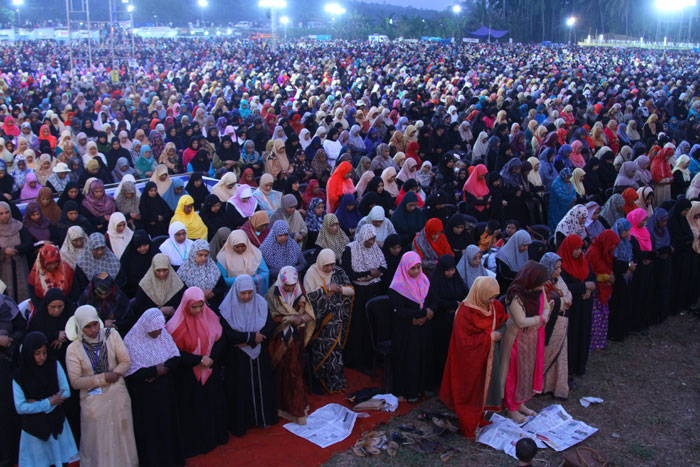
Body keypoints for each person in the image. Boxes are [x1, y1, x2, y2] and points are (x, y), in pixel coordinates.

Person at [64, 305, 138, 467]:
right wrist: (103, 378)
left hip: (117, 394)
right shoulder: (73, 349)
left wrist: (115, 374)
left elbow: (125, 362)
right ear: (80, 327)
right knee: (98, 440)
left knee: (121, 436)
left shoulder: (112, 335)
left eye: (95, 324)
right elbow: (75, 381)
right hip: (93, 401)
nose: (93, 329)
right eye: (88, 327)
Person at [440, 276, 505, 439]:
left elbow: (504, 322)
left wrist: (499, 334)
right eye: (489, 297)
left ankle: (480, 415)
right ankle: (468, 421)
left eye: (495, 297)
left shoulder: (495, 306)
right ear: (480, 294)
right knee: (469, 390)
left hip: (487, 357)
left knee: (484, 387)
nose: (492, 301)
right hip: (469, 360)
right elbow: (464, 341)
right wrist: (489, 337)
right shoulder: (465, 311)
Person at [166, 287, 228, 456]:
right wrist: (198, 360)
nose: (199, 310)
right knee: (193, 408)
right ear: (186, 305)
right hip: (188, 375)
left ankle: (214, 437)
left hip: (210, 369)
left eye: (201, 306)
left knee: (212, 404)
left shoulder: (211, 316)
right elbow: (175, 353)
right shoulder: (174, 324)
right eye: (194, 307)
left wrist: (211, 358)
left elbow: (221, 340)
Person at [123, 308, 184, 467]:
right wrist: (154, 371)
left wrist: (162, 370)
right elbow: (129, 372)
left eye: (159, 329)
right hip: (145, 396)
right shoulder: (131, 341)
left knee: (167, 426)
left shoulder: (163, 335)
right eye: (154, 330)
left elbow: (175, 357)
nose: (158, 333)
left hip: (165, 391)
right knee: (150, 431)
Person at [219, 276, 278, 436]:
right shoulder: (227, 307)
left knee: (262, 384)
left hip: (259, 355)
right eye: (243, 293)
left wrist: (249, 340)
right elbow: (229, 334)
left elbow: (268, 327)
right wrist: (252, 338)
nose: (246, 297)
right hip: (238, 358)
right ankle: (243, 422)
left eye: (249, 293)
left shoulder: (261, 303)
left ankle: (263, 418)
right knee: (240, 388)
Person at [12, 331, 79, 467]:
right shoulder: (19, 377)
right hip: (34, 430)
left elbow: (65, 392)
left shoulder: (53, 364)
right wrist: (49, 402)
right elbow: (20, 407)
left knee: (60, 461)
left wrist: (39, 404)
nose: (42, 357)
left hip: (56, 423)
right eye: (37, 353)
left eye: (44, 352)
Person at [501, 261, 552, 423]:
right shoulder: (516, 295)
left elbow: (546, 307)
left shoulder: (537, 289)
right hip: (516, 339)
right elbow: (521, 321)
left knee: (526, 371)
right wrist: (541, 319)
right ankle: (511, 407)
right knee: (513, 373)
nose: (541, 287)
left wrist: (543, 316)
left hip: (532, 338)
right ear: (532, 279)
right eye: (540, 283)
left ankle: (520, 402)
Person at [264, 266, 315, 424]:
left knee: (296, 370)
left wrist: (303, 318)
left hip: (297, 336)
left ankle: (297, 404)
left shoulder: (299, 290)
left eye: (293, 286)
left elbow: (308, 311)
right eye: (287, 286)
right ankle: (287, 408)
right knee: (285, 372)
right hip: (280, 339)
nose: (290, 289)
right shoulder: (272, 294)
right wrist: (290, 320)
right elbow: (271, 318)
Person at [303, 249, 354, 393]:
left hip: (336, 319)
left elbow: (351, 290)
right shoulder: (311, 273)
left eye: (332, 264)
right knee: (322, 350)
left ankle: (335, 382)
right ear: (320, 263)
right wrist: (325, 290)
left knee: (335, 351)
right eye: (327, 266)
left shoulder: (338, 272)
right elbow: (309, 297)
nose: (330, 268)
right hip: (318, 321)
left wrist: (338, 289)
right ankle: (320, 381)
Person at [388, 251, 433, 401]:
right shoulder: (397, 286)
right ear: (405, 268)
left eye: (418, 267)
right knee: (409, 360)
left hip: (422, 327)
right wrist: (417, 316)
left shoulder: (424, 280)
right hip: (405, 330)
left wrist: (425, 315)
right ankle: (408, 391)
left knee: (422, 356)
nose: (416, 271)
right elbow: (399, 311)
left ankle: (421, 388)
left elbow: (431, 300)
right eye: (412, 268)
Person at [341, 224, 386, 371]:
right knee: (359, 325)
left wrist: (374, 274)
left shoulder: (374, 248)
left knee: (372, 325)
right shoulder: (350, 250)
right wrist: (368, 274)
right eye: (369, 239)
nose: (371, 243)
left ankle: (372, 358)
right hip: (358, 293)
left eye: (373, 239)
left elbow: (383, 266)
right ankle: (357, 360)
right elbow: (350, 274)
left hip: (373, 289)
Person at [557, 235, 596, 378]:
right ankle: (569, 368)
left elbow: (592, 278)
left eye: (581, 248)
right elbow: (563, 286)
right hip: (571, 308)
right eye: (577, 248)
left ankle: (580, 366)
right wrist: (583, 287)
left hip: (584, 306)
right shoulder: (562, 265)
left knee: (583, 333)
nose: (579, 252)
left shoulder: (583, 262)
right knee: (572, 336)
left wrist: (590, 289)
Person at [426, 254, 468, 385]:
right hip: (440, 322)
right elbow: (436, 301)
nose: (451, 273)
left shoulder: (456, 279)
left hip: (455, 320)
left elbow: (465, 293)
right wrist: (454, 304)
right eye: (448, 270)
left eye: (453, 269)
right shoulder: (435, 281)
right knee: (441, 351)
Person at [539, 253, 572, 400]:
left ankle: (555, 387)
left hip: (560, 323)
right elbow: (547, 305)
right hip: (547, 326)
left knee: (560, 357)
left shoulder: (558, 280)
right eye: (556, 268)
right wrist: (562, 302)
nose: (559, 271)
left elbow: (569, 296)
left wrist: (561, 301)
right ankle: (542, 387)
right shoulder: (541, 284)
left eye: (560, 268)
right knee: (546, 355)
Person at [584, 230, 620, 350]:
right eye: (612, 245)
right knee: (595, 318)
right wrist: (606, 278)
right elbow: (588, 274)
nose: (613, 248)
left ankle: (599, 343)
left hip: (605, 288)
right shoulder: (592, 253)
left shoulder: (606, 252)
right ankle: (591, 344)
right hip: (595, 291)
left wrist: (611, 276)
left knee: (603, 316)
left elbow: (608, 266)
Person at [133, 253, 186, 318]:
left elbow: (183, 303)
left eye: (165, 270)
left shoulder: (177, 283)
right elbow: (138, 308)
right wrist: (159, 310)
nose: (161, 274)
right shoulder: (145, 284)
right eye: (158, 270)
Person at [216, 229, 269, 293]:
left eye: (243, 245)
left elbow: (265, 272)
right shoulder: (223, 257)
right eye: (237, 247)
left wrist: (253, 279)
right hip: (233, 292)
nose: (240, 249)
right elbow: (222, 280)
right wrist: (241, 280)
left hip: (253, 290)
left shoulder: (255, 253)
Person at [0, 201, 32, 302]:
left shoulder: (18, 226)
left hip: (20, 265)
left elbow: (28, 242)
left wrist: (16, 249)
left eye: (7, 212)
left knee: (23, 293)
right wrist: (4, 251)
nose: (5, 215)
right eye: (1, 214)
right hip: (3, 267)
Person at [118, 230, 155, 297]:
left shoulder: (154, 253)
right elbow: (125, 278)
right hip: (134, 292)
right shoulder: (128, 257)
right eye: (139, 246)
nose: (143, 248)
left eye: (145, 245)